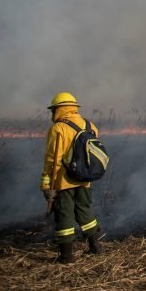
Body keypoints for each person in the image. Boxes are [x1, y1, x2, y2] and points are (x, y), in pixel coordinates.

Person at [40, 92, 102, 263]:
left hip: (63, 180)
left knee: (64, 214)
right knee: (84, 209)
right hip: (84, 178)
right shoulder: (89, 125)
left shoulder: (58, 128)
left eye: (53, 110)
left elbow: (52, 159)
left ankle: (67, 257)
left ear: (58, 109)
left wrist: (46, 183)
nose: (52, 114)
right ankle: (96, 247)